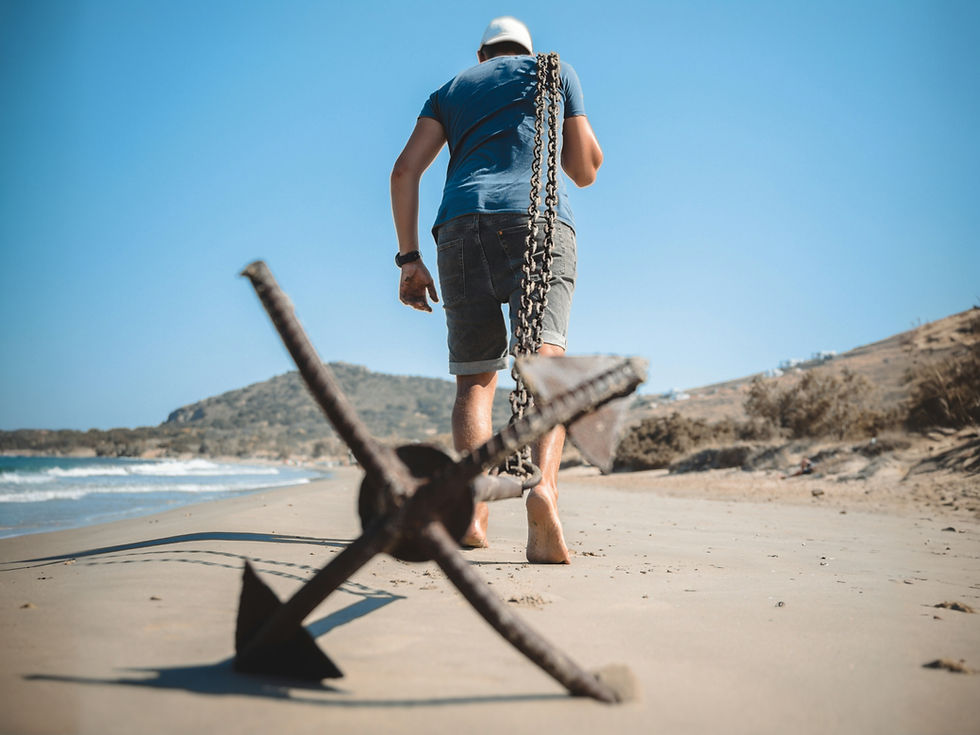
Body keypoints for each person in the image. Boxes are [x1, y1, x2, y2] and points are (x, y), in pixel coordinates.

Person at [390, 17, 603, 563]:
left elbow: (404, 171)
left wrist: (409, 259)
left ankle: (474, 512)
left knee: (476, 381)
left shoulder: (451, 89)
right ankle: (544, 492)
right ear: (524, 51)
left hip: (459, 226)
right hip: (539, 222)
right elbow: (583, 170)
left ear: (483, 54)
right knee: (546, 370)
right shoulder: (554, 72)